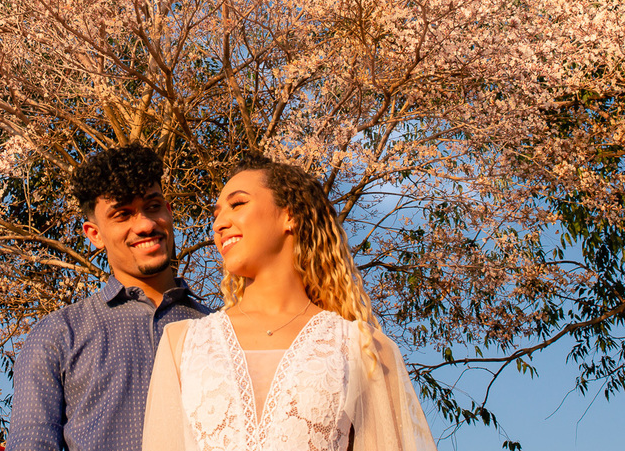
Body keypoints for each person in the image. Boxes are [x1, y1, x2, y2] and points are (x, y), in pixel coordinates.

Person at [141, 154, 437, 451]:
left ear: (289, 215)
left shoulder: (362, 347)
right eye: (216, 213)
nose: (219, 223)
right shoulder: (182, 342)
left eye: (238, 204)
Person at [6, 144, 212, 451]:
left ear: (169, 212)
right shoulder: (59, 335)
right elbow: (31, 444)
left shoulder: (220, 330)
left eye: (153, 206)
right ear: (94, 234)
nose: (144, 225)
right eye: (122, 214)